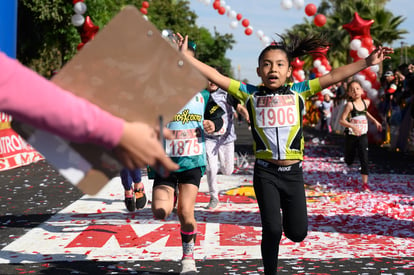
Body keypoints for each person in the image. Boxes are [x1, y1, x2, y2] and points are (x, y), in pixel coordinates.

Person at [179, 32, 393, 274]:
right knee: (271, 229)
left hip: (293, 175)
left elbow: (333, 76)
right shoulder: (249, 93)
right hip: (265, 174)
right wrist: (188, 58)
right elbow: (216, 76)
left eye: (280, 64)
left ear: (289, 71)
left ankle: (292, 230)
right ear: (259, 71)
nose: (273, 69)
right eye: (267, 65)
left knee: (298, 233)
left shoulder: (299, 91)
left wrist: (366, 62)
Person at [0, 51, 179, 174]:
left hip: (116, 131)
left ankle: (136, 187)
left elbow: (12, 81)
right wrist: (116, 131)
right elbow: (13, 84)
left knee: (126, 165)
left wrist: (117, 131)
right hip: (112, 131)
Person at [150, 41, 224, 275]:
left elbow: (218, 115)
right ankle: (167, 199)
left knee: (185, 212)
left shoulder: (202, 94)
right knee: (160, 212)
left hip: (192, 161)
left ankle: (188, 258)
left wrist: (213, 123)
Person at [204, 74, 249, 210]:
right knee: (211, 168)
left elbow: (239, 107)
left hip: (226, 139)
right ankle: (214, 197)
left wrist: (247, 115)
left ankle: (220, 163)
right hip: (209, 138)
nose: (211, 82)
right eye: (208, 79)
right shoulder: (202, 96)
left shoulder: (226, 94)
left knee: (227, 170)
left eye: (214, 79)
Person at [339, 80, 382, 191]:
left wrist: (375, 121)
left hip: (362, 135)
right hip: (351, 136)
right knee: (349, 160)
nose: (355, 91)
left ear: (362, 90)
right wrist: (353, 127)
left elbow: (365, 112)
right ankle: (348, 158)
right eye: (352, 90)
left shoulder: (365, 102)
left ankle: (365, 184)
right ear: (348, 93)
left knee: (364, 158)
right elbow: (341, 120)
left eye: (357, 88)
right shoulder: (349, 105)